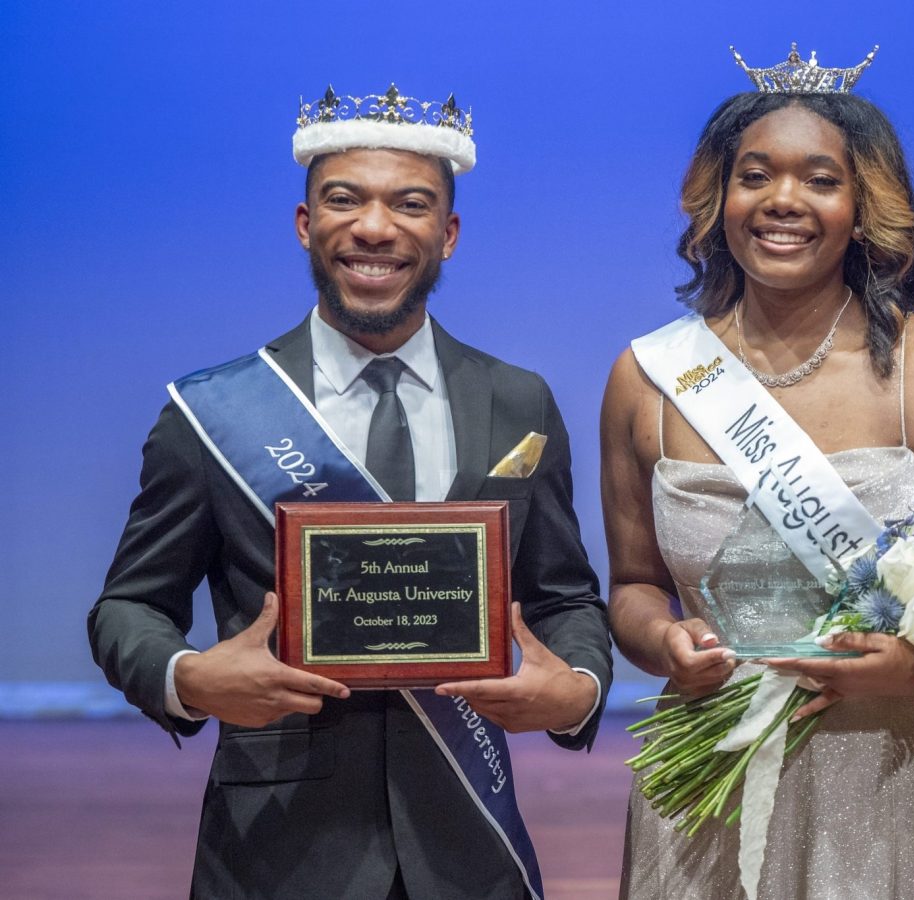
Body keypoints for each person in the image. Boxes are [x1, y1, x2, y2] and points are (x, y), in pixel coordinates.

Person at [88, 83, 611, 900]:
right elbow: (127, 606)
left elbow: (564, 595)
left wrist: (577, 687)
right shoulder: (213, 412)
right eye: (343, 200)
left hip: (468, 841)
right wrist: (188, 676)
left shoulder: (518, 402)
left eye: (410, 204)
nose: (374, 227)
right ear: (305, 225)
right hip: (276, 849)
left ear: (449, 233)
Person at [603, 45, 914, 898]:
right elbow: (631, 585)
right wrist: (660, 642)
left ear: (864, 207)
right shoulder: (650, 380)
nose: (782, 202)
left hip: (908, 781)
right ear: (717, 199)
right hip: (709, 782)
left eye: (819, 180)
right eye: (755, 176)